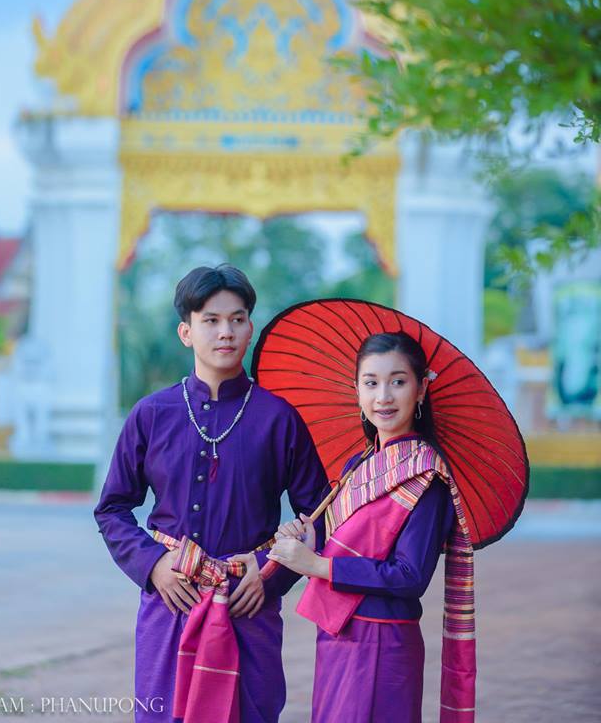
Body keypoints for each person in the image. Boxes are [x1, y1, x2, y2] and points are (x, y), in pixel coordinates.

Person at [94, 264, 328, 723]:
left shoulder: (279, 419)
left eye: (237, 319)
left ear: (250, 327)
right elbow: (113, 510)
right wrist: (153, 566)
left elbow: (319, 516)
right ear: (186, 331)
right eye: (211, 320)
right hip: (169, 604)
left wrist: (269, 575)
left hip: (249, 606)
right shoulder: (151, 414)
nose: (226, 332)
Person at [267, 331, 474, 723]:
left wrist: (317, 566)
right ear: (357, 391)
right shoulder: (355, 467)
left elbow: (410, 576)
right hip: (336, 633)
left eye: (398, 381)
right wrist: (312, 542)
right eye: (371, 383)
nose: (384, 396)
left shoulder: (426, 476)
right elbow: (346, 545)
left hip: (385, 640)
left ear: (420, 390)